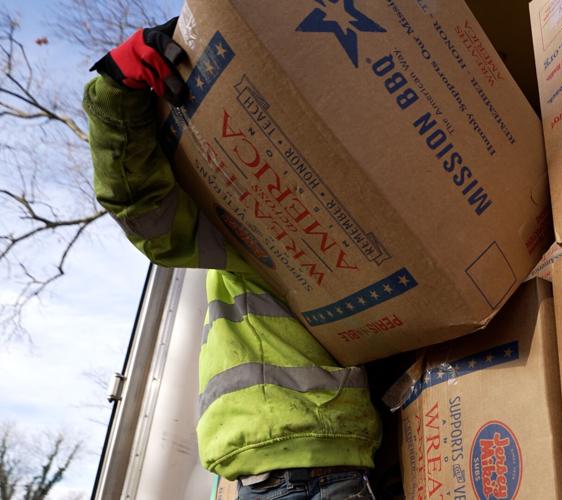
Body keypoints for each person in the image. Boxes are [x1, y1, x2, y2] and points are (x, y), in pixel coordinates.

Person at [84, 18, 381, 500]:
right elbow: (142, 208)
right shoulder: (247, 219)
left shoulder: (344, 224)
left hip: (305, 474)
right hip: (310, 470)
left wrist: (115, 89)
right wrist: (116, 90)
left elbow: (142, 208)